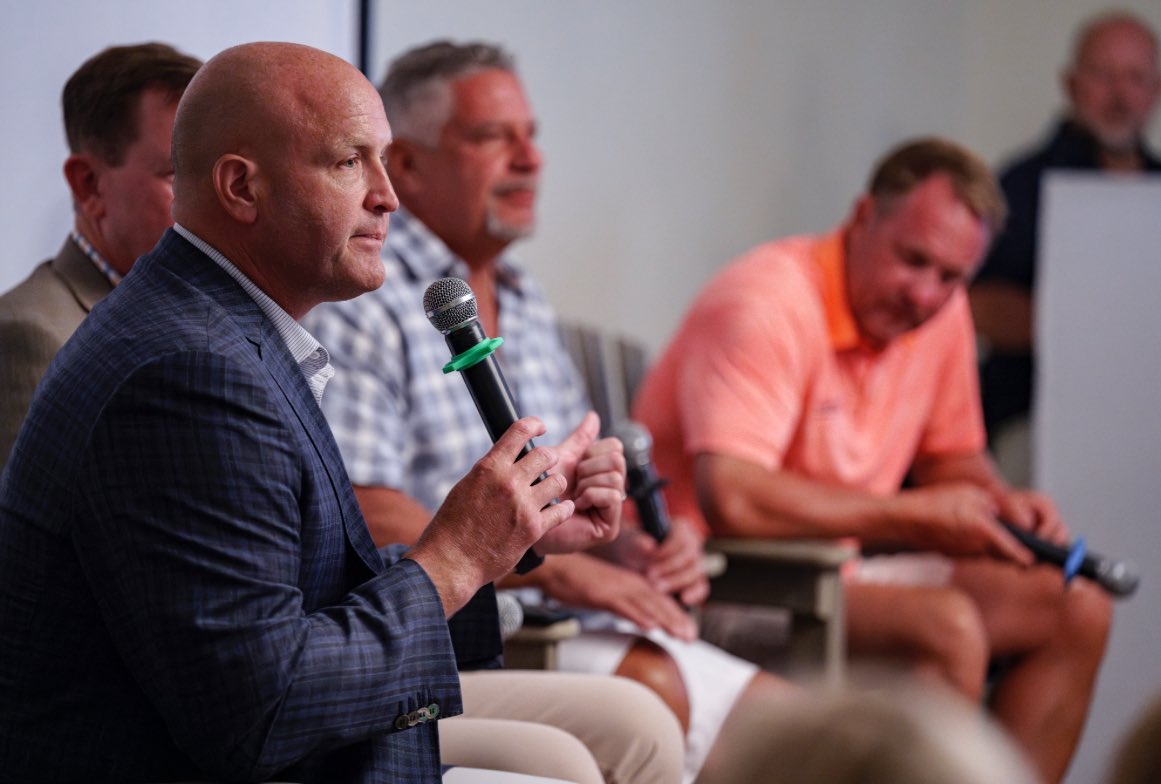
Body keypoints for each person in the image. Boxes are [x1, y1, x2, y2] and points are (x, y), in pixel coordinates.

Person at [0, 41, 675, 783]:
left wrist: (514, 535)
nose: (387, 195)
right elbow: (265, 712)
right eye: (350, 162)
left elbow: (300, 590)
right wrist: (453, 558)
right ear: (240, 188)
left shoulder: (219, 324)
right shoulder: (187, 371)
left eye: (384, 160)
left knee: (618, 738)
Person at [300, 40, 790, 784]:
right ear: (409, 167)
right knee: (663, 706)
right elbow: (362, 513)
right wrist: (549, 571)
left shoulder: (524, 298)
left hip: (582, 612)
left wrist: (626, 542)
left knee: (810, 734)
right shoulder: (365, 295)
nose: (529, 159)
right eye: (493, 137)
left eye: (531, 136)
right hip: (484, 628)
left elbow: (563, 493)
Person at [634, 137, 1113, 784]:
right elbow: (734, 499)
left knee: (1077, 605)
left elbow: (951, 460)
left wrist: (999, 502)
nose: (925, 294)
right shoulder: (766, 301)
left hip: (841, 567)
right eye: (912, 260)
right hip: (715, 574)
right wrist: (913, 517)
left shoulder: (934, 316)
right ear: (862, 219)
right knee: (943, 628)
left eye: (950, 277)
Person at [969, 11, 1161, 485]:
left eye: (1135, 77)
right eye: (1103, 75)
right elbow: (976, 306)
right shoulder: (1022, 184)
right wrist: (1090, 333)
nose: (1120, 94)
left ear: (1155, 90)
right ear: (1072, 84)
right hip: (1034, 416)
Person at [0, 42, 202, 473]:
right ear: (89, 185)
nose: (211, 204)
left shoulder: (206, 320)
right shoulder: (30, 338)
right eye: (178, 175)